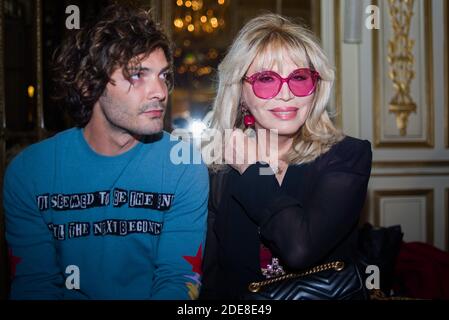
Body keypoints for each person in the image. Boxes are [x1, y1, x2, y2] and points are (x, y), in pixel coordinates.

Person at [3, 5, 208, 300]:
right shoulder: (31, 172)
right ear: (89, 85)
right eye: (138, 75)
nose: (160, 92)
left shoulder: (183, 167)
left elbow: (178, 280)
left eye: (163, 76)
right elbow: (34, 285)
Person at [200, 14, 372, 299]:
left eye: (299, 78)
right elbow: (212, 281)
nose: (285, 95)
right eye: (266, 80)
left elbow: (299, 249)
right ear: (241, 94)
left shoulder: (346, 156)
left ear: (315, 88)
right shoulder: (219, 169)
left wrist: (254, 169)